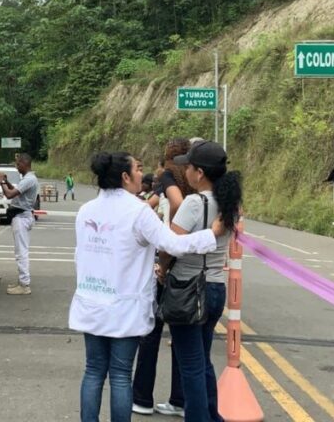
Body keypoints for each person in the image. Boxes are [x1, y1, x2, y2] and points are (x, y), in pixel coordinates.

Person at [70, 152, 225, 422]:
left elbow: (80, 256)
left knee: (93, 371)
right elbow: (173, 244)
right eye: (138, 169)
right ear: (125, 177)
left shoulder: (86, 211)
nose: (144, 175)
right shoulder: (138, 211)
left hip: (91, 301)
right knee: (120, 375)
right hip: (124, 306)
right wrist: (212, 233)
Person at [150, 139, 239, 422]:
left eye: (188, 166)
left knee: (189, 364)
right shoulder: (228, 203)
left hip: (187, 289)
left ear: (199, 173)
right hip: (214, 287)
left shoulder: (193, 202)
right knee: (202, 359)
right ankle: (213, 416)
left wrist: (162, 268)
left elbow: (169, 245)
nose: (185, 171)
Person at [133, 138, 194, 415]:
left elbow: (166, 205)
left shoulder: (168, 175)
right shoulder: (198, 180)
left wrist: (172, 231)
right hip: (193, 264)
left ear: (168, 156)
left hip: (168, 257)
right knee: (182, 335)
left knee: (151, 331)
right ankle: (180, 400)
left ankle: (142, 398)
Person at [0, 153, 39, 295]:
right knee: (21, 251)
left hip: (21, 217)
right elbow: (16, 192)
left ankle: (24, 285)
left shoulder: (29, 179)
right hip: (23, 216)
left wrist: (2, 183)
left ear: (24, 163)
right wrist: (7, 182)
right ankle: (22, 281)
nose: (17, 167)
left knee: (21, 252)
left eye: (17, 164)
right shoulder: (28, 179)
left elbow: (9, 195)